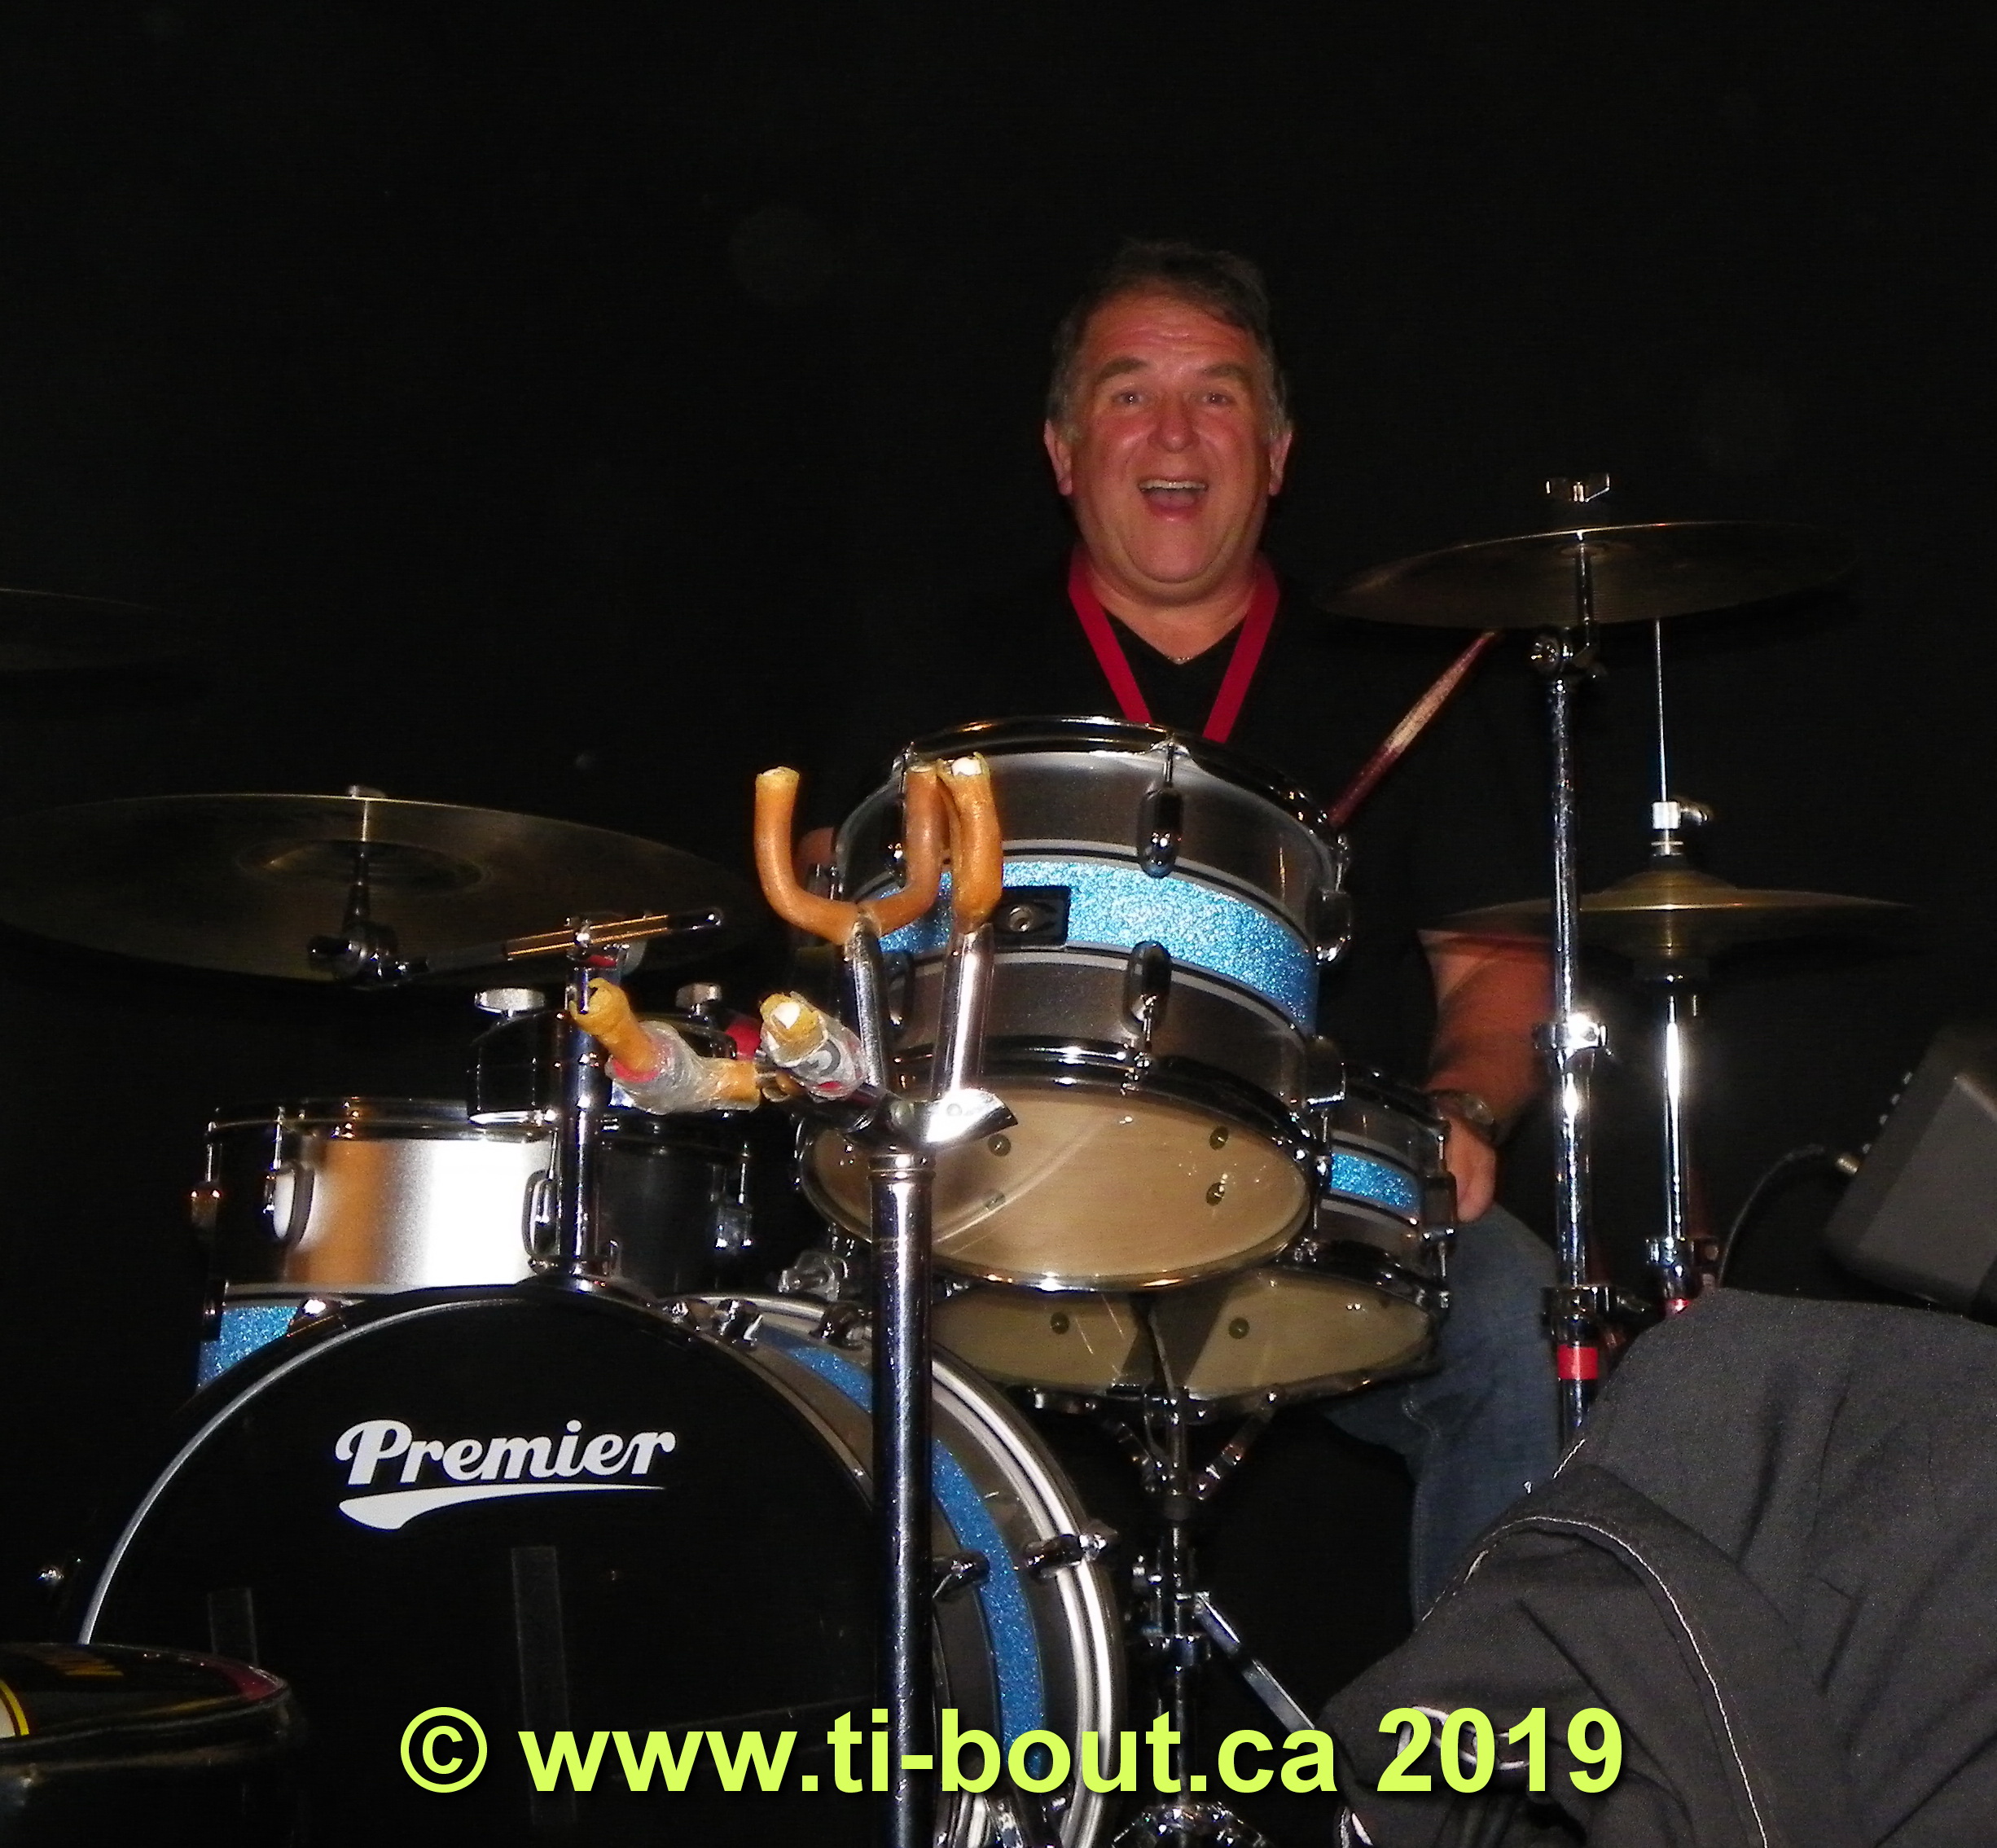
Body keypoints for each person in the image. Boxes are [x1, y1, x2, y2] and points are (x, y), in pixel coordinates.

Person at [803, 239, 1558, 1613]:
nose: (1173, 432)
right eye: (1128, 393)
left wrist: (1464, 1112)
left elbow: (1497, 967)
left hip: (1321, 1195)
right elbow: (828, 901)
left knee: (1515, 1316)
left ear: (1276, 453)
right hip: (997, 1186)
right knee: (814, 1323)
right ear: (1062, 449)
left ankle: (1488, 1745)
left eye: (1217, 396)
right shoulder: (946, 673)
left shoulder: (1399, 670)